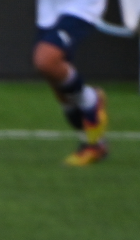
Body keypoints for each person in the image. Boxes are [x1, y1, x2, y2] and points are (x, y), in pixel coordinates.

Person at [32, 0, 110, 166]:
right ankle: (94, 144)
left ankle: (91, 99)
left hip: (80, 5)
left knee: (46, 60)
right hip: (49, 7)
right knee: (57, 82)